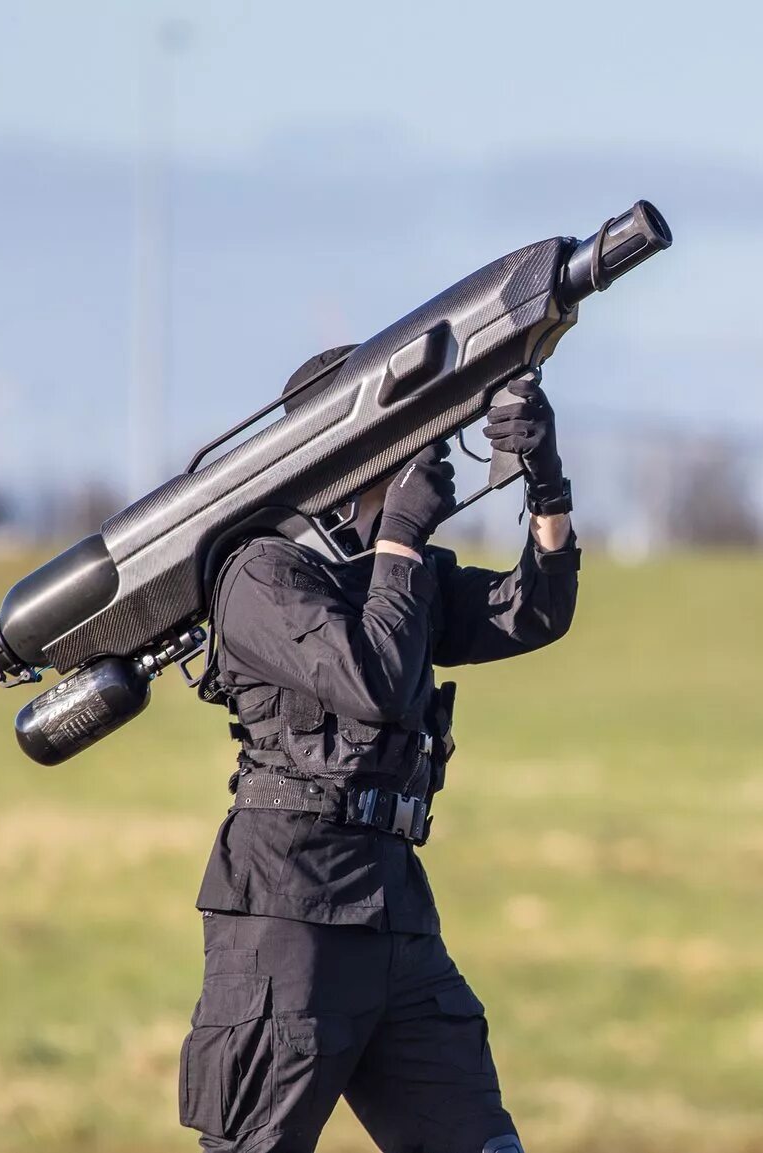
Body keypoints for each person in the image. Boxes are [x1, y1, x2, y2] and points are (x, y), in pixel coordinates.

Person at [178, 346, 579, 1153]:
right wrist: (399, 538)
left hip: (394, 913)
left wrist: (546, 483)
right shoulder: (260, 575)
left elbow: (533, 613)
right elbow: (374, 681)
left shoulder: (394, 572)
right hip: (289, 919)